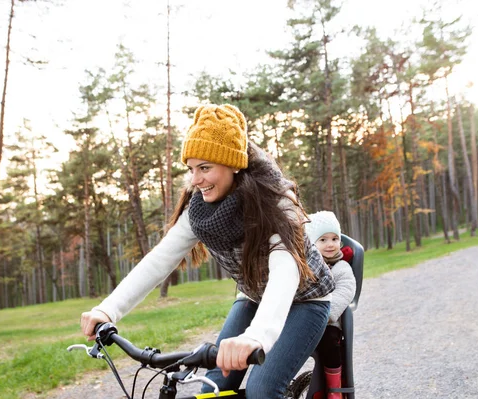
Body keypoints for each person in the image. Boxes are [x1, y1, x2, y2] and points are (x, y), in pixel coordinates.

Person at [80, 104, 335, 399]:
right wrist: (107, 309)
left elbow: (285, 271)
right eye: (191, 169)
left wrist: (255, 337)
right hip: (255, 297)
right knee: (213, 390)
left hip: (306, 301)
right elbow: (160, 260)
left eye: (205, 168)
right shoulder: (199, 210)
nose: (196, 180)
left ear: (233, 164)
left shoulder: (276, 202)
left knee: (262, 390)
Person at [305, 211, 357, 399]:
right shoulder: (305, 267)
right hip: (302, 320)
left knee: (330, 341)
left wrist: (324, 315)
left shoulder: (341, 267)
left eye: (335, 238)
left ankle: (335, 390)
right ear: (311, 243)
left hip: (327, 322)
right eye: (323, 240)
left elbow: (345, 291)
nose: (330, 244)